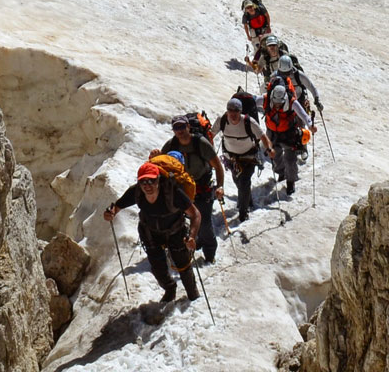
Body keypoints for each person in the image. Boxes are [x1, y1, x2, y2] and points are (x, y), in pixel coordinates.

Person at [104, 161, 202, 302]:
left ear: (159, 179)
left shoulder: (172, 192)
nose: (147, 185)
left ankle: (193, 294)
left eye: (151, 181)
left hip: (175, 232)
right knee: (158, 268)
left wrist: (192, 236)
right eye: (143, 181)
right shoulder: (136, 192)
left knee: (183, 264)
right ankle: (170, 288)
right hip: (150, 233)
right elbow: (116, 206)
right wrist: (110, 213)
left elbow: (195, 214)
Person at [161, 114, 226, 263]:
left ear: (188, 127)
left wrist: (220, 186)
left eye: (182, 127)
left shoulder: (200, 143)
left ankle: (210, 253)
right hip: (181, 190)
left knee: (204, 223)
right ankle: (193, 243)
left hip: (202, 188)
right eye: (176, 128)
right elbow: (160, 165)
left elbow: (217, 166)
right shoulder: (170, 146)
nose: (180, 131)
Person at [216, 96, 273, 222]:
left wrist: (269, 149)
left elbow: (263, 136)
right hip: (231, 158)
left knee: (243, 182)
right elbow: (211, 134)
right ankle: (247, 200)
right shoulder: (222, 120)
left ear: (240, 111)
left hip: (248, 157)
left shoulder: (249, 122)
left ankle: (243, 211)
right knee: (238, 181)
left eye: (236, 110)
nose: (232, 113)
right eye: (230, 110)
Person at [262, 74, 313, 198]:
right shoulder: (266, 99)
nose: (277, 105)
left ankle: (291, 182)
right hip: (273, 133)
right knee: (275, 156)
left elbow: (303, 114)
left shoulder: (292, 102)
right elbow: (254, 100)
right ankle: (281, 173)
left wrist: (310, 125)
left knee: (290, 160)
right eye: (275, 102)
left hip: (289, 133)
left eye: (280, 102)